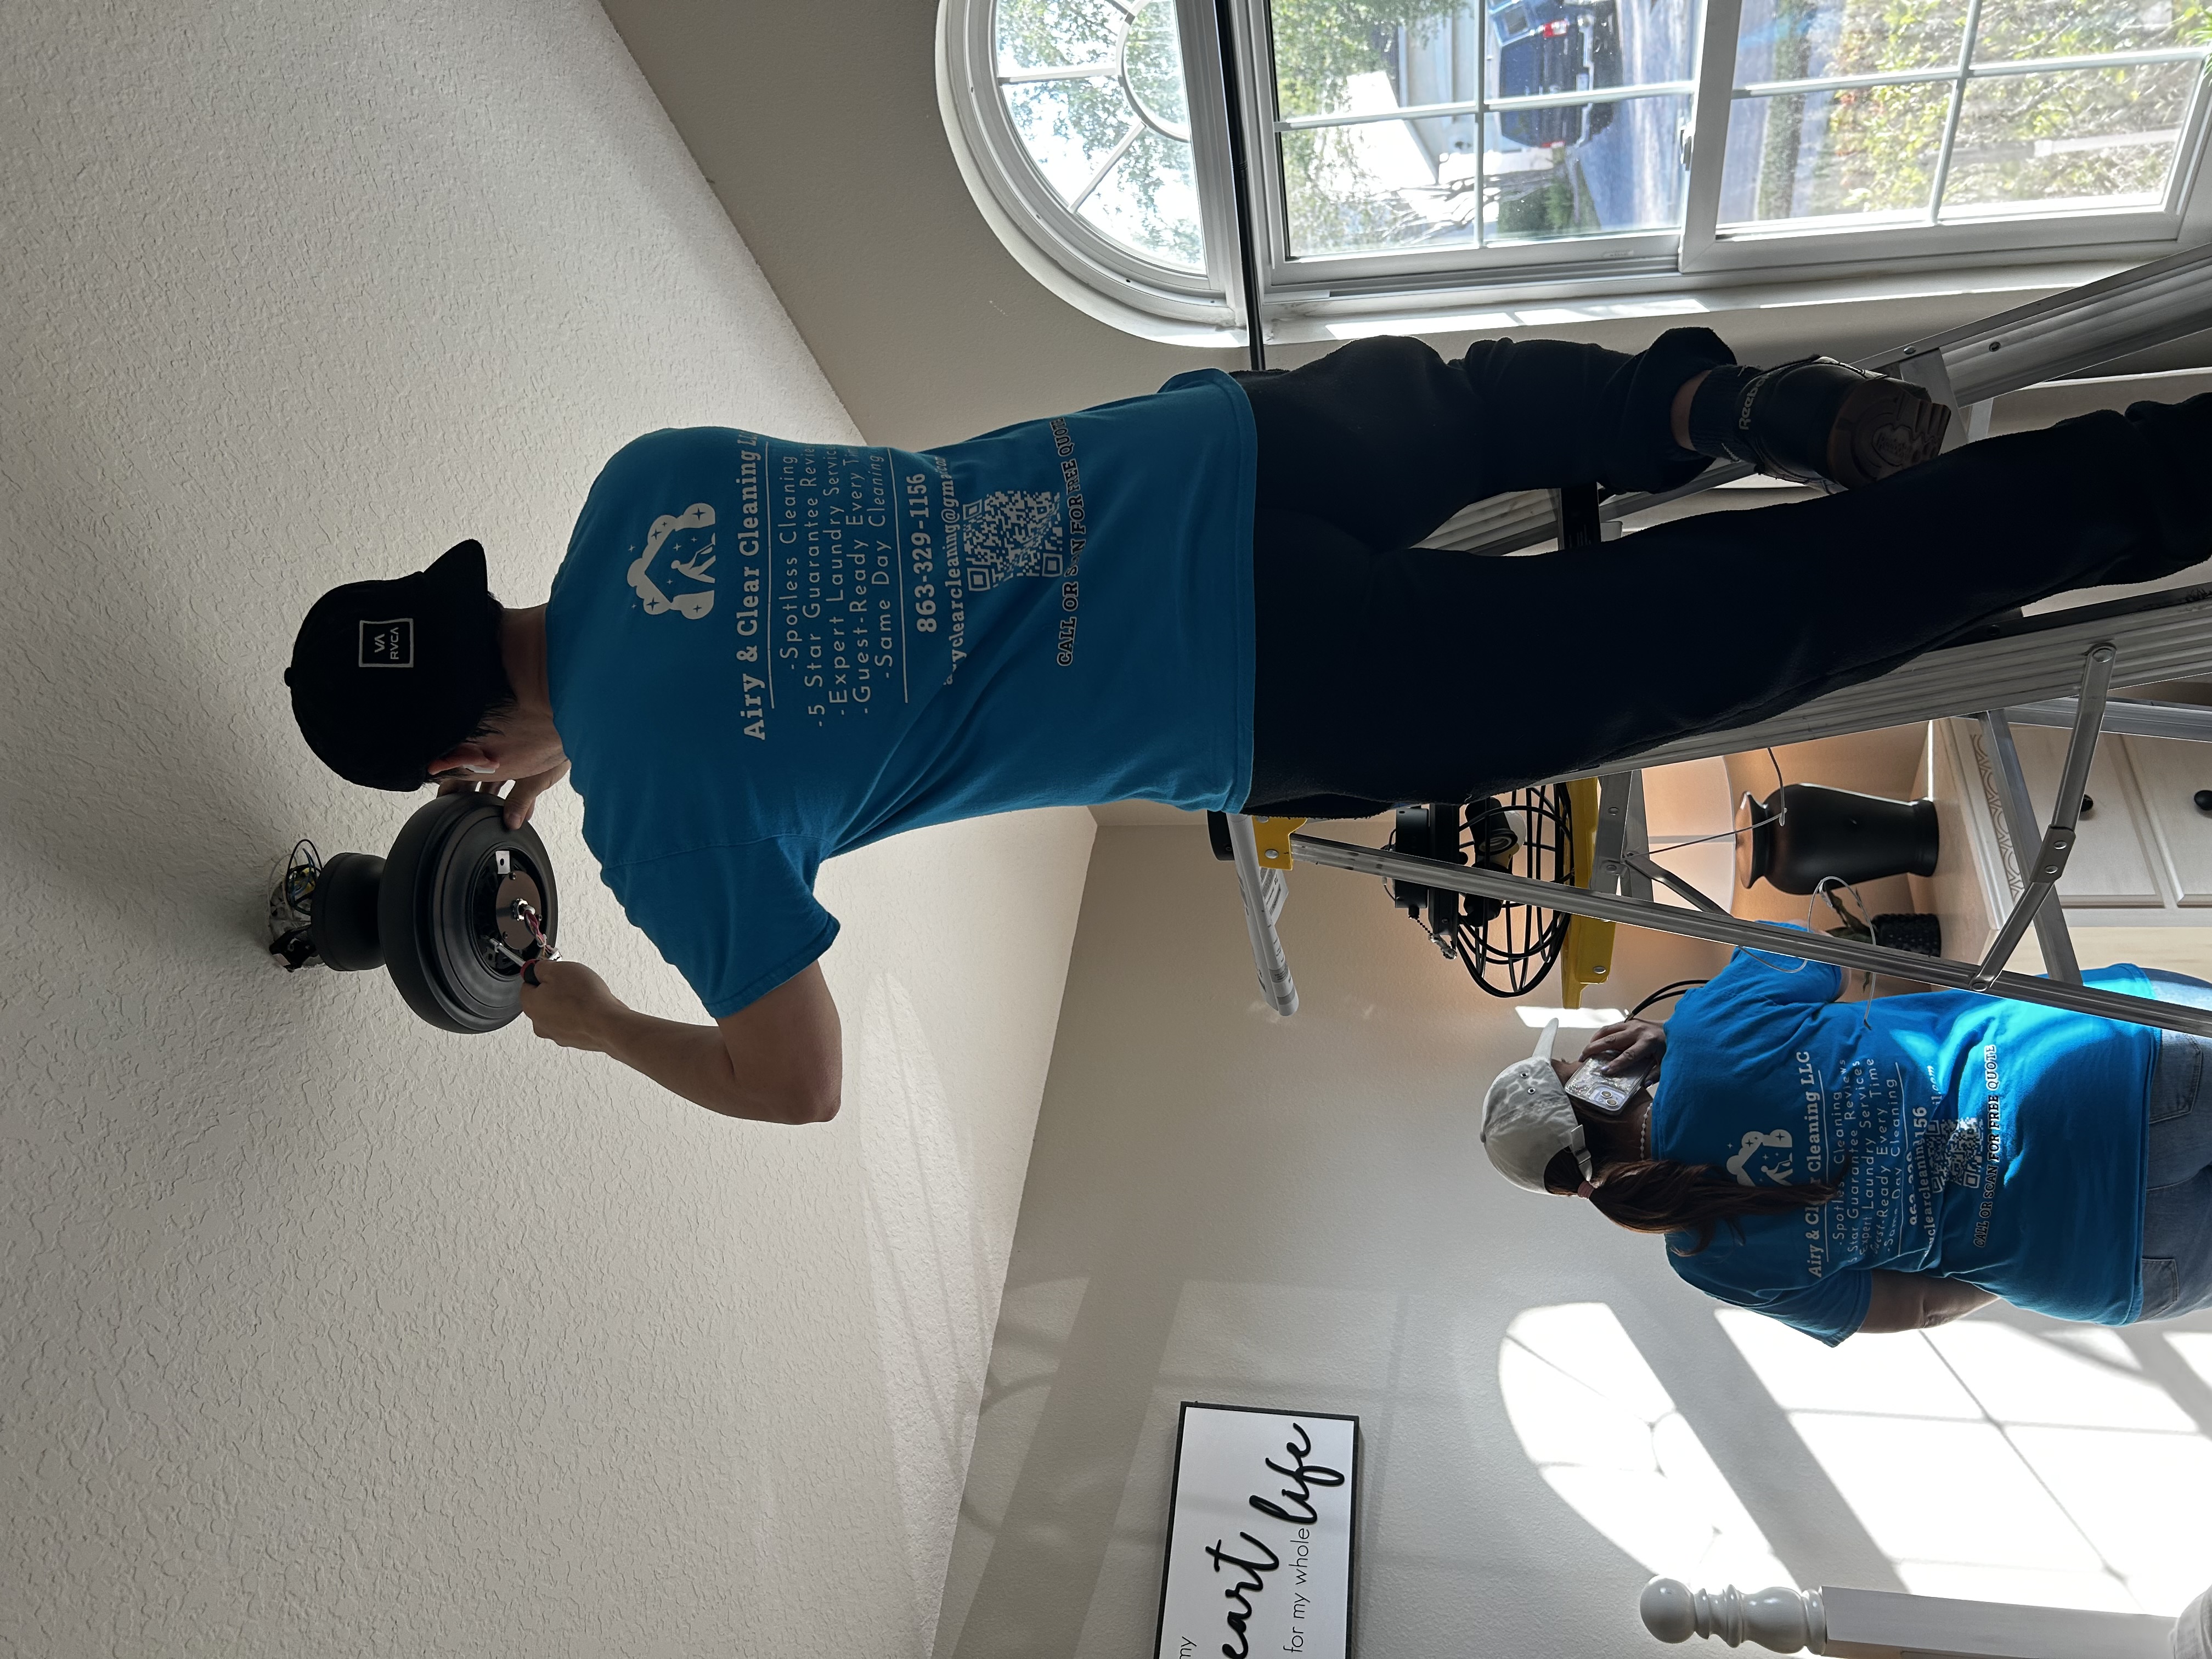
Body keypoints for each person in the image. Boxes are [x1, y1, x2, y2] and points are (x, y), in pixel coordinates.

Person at [285, 328, 2212, 1123]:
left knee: (1714, 633)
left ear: (462, 768)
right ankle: (1720, 410)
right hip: (1202, 455)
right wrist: (573, 720)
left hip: (1258, 683)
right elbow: (676, 644)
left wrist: (604, 1017)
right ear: (460, 608)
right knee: (1489, 411)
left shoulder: (661, 821)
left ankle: (2140, 484)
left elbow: (800, 1080)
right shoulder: (638, 488)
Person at [1479, 945, 2212, 1339]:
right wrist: (1674, 1031)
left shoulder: (1709, 1263)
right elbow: (1820, 957)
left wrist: (2027, 1242)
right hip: (2101, 1076)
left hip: (2108, 1265)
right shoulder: (1709, 1036)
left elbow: (1919, 1308)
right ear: (1597, 1081)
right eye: (1581, 1061)